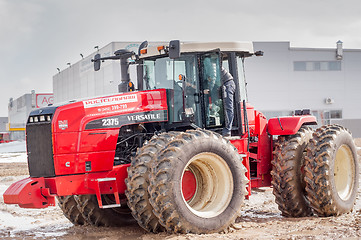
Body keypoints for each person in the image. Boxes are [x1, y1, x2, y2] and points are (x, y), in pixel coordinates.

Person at [220, 67, 235, 137]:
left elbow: (213, 79)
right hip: (224, 84)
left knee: (228, 108)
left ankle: (227, 130)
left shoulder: (209, 63)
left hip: (228, 84)